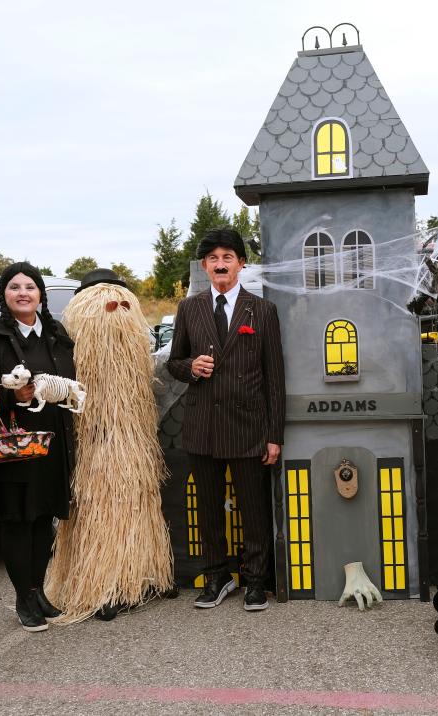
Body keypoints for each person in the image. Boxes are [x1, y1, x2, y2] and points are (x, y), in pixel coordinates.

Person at [44, 269, 175, 621]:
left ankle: (143, 574)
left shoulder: (125, 339)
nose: (112, 309)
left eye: (117, 303)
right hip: (97, 445)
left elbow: (151, 377)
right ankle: (105, 583)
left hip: (134, 443)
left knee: (137, 503)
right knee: (104, 508)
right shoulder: (74, 342)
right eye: (104, 303)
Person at [166, 227, 285, 611]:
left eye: (227, 257)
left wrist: (274, 435)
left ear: (241, 263)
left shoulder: (262, 310)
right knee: (208, 510)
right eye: (213, 259)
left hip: (249, 427)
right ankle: (216, 578)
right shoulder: (189, 308)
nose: (220, 264)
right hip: (202, 427)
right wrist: (190, 367)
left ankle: (254, 581)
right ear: (204, 266)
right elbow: (174, 363)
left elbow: (275, 378)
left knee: (253, 510)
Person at [0, 262, 75, 632]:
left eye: (30, 286)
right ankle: (23, 599)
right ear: (4, 295)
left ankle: (37, 591)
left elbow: (70, 378)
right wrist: (11, 395)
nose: (23, 292)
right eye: (14, 287)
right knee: (17, 520)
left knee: (43, 518)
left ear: (41, 293)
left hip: (51, 440)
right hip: (11, 445)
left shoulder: (57, 333)